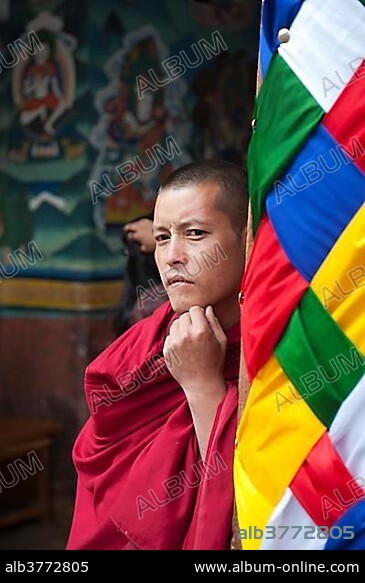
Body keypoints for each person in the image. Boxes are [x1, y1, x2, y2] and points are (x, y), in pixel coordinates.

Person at [66, 159, 248, 550]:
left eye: (195, 233)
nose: (171, 257)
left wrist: (202, 386)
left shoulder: (274, 344)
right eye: (162, 237)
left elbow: (255, 497)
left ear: (248, 238)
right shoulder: (141, 348)